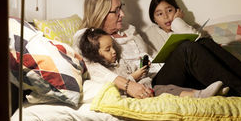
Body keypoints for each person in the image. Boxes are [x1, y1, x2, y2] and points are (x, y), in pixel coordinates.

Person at [79, 27, 228, 98]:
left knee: (203, 44)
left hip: (150, 80)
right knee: (167, 89)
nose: (113, 51)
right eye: (108, 49)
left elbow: (129, 71)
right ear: (95, 54)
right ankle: (199, 95)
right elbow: (117, 86)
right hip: (145, 89)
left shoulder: (118, 61)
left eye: (113, 47)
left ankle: (207, 93)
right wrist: (134, 77)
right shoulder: (101, 70)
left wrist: (142, 67)